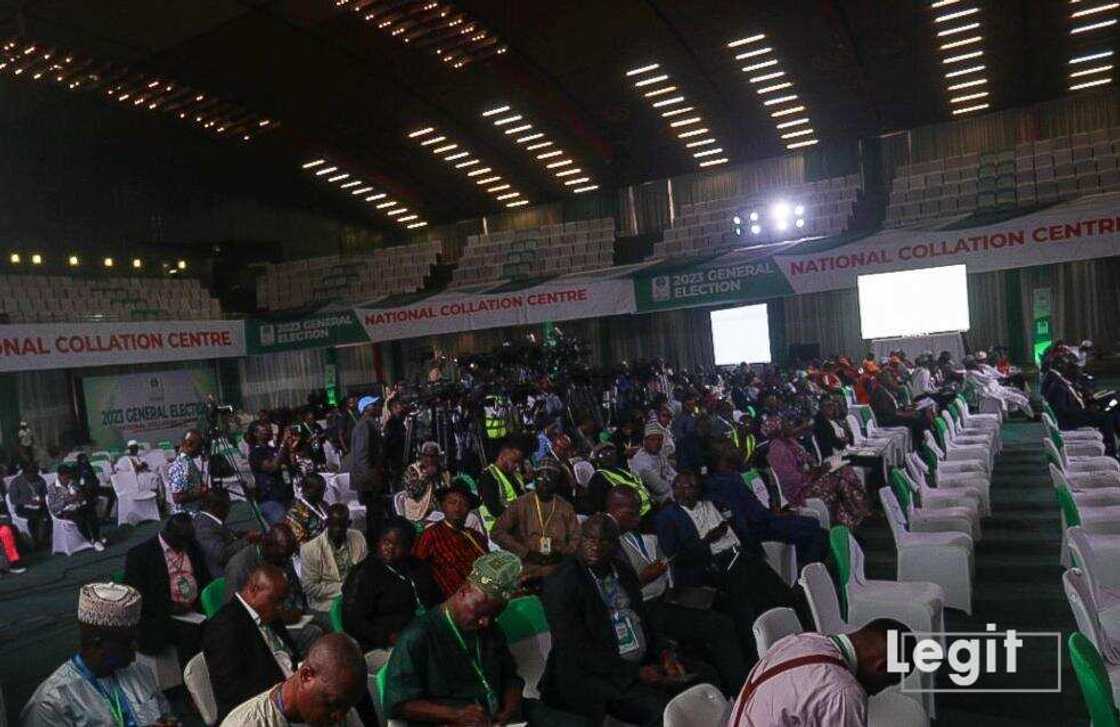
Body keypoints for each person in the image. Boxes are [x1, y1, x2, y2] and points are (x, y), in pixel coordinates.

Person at [383, 551, 589, 726]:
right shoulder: (418, 636)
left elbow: (510, 677)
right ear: (463, 592)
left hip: (501, 714)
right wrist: (456, 715)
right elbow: (399, 705)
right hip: (453, 720)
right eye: (480, 614)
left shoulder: (490, 628)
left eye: (493, 615)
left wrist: (511, 705)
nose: (485, 623)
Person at [540, 514, 693, 727]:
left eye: (604, 540)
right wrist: (635, 673)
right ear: (579, 539)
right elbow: (575, 648)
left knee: (702, 678)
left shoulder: (622, 571)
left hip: (638, 662)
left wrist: (665, 654)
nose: (595, 546)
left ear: (615, 544)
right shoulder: (562, 582)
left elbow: (645, 621)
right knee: (663, 711)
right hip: (594, 675)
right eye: (589, 539)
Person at [607, 486, 746, 696]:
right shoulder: (606, 542)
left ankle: (744, 676)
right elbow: (613, 594)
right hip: (646, 609)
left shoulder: (630, 533)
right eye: (632, 512)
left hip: (667, 595)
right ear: (615, 509)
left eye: (639, 511)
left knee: (726, 601)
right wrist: (645, 577)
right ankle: (742, 693)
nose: (638, 518)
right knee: (719, 626)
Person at [21, 582, 178, 726]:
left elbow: (166, 716)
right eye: (128, 641)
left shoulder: (141, 673)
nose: (136, 647)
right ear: (98, 643)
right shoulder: (52, 702)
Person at [726, 619, 910, 726]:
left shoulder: (803, 640)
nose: (877, 692)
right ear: (882, 666)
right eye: (887, 682)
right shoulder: (843, 693)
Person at [204, 563, 302, 721]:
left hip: (291, 690)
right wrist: (285, 694)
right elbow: (232, 694)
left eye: (282, 601)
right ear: (254, 589)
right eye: (276, 601)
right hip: (261, 713)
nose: (280, 607)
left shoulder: (269, 612)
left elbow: (291, 656)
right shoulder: (224, 628)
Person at [220, 633, 367, 727]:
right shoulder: (245, 724)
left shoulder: (341, 708)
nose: (338, 717)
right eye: (331, 704)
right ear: (306, 676)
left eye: (346, 708)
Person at [342, 518, 442, 655]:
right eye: (386, 542)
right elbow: (353, 621)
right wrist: (387, 637)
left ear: (409, 548)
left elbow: (436, 599)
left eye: (398, 544)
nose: (390, 548)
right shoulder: (364, 573)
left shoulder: (417, 567)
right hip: (381, 645)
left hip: (423, 632)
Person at [124, 513, 210, 664]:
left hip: (195, 608)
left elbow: (205, 578)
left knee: (222, 622)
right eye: (182, 542)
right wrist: (170, 607)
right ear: (169, 535)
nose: (185, 546)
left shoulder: (191, 545)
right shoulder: (140, 555)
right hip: (161, 614)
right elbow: (135, 596)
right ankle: (193, 681)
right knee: (190, 634)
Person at [765, 416, 871, 530]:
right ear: (779, 428)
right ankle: (855, 517)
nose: (790, 425)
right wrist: (816, 472)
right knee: (841, 479)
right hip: (799, 492)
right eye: (786, 423)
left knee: (845, 471)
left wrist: (820, 469)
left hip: (809, 480)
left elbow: (809, 461)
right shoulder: (777, 449)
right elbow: (791, 480)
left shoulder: (789, 442)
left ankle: (854, 518)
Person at [490, 458, 581, 583]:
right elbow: (497, 532)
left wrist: (562, 554)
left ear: (556, 483)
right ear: (534, 479)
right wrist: (525, 552)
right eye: (540, 478)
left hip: (558, 567)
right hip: (526, 566)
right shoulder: (521, 503)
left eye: (550, 479)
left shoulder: (565, 507)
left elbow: (577, 538)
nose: (544, 483)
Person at [413, 482, 490, 597]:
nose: (457, 508)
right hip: (453, 601)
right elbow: (416, 568)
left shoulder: (476, 537)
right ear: (443, 506)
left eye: (463, 504)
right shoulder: (430, 535)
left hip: (484, 595)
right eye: (452, 502)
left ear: (469, 509)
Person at [300, 504, 368, 616]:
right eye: (333, 525)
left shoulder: (358, 538)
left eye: (342, 526)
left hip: (358, 597)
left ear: (349, 524)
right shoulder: (309, 550)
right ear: (326, 524)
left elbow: (364, 571)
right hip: (326, 603)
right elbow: (310, 587)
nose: (338, 530)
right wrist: (345, 588)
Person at [194, 489, 255, 579]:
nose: (228, 511)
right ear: (216, 507)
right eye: (227, 507)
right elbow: (221, 555)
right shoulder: (203, 526)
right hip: (224, 575)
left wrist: (242, 534)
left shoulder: (209, 520)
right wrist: (247, 540)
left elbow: (225, 535)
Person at [349, 395, 387, 538]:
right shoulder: (364, 426)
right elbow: (361, 456)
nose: (378, 407)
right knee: (373, 515)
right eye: (374, 405)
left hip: (370, 477)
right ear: (365, 409)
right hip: (367, 480)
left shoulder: (369, 423)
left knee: (375, 514)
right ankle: (373, 543)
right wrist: (371, 478)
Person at [586, 442, 653, 519]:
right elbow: (600, 506)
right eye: (604, 454)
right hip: (630, 519)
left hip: (647, 512)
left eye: (611, 452)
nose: (609, 455)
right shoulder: (598, 478)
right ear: (597, 459)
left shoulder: (622, 470)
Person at [249, 421, 298, 525]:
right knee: (284, 527)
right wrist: (283, 443)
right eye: (263, 430)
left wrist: (291, 448)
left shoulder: (273, 449)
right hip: (271, 499)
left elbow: (291, 465)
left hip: (287, 495)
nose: (267, 432)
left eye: (267, 430)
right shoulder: (256, 453)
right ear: (255, 434)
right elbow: (272, 467)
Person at [48, 462, 105, 550]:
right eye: (65, 478)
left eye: (68, 477)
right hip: (63, 511)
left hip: (77, 506)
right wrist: (66, 501)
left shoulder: (73, 483)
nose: (67, 480)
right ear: (60, 476)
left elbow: (81, 494)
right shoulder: (53, 488)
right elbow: (53, 507)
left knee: (91, 512)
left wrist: (79, 496)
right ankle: (91, 539)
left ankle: (96, 538)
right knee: (79, 518)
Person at [396, 442, 451, 526]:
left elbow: (447, 493)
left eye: (433, 456)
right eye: (426, 456)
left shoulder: (443, 472)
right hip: (418, 513)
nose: (430, 459)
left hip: (439, 511)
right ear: (422, 456)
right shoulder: (413, 470)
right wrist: (426, 476)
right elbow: (412, 493)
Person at [476, 438, 526, 530]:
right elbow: (494, 509)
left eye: (519, 462)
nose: (517, 466)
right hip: (497, 529)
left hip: (515, 525)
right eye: (514, 461)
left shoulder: (514, 475)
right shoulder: (488, 477)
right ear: (502, 457)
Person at [628, 422, 677, 506]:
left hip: (667, 489)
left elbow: (671, 472)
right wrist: (677, 484)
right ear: (645, 441)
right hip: (650, 500)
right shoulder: (641, 461)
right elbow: (661, 488)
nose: (657, 443)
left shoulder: (659, 454)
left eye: (659, 439)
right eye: (652, 439)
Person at [8, 459, 50, 549]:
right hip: (23, 507)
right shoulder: (16, 482)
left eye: (34, 473)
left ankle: (44, 538)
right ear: (25, 473)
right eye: (30, 474)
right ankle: (36, 542)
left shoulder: (39, 480)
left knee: (48, 516)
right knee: (33, 519)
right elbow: (13, 499)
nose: (33, 476)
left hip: (39, 504)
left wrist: (41, 500)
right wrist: (28, 501)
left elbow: (45, 494)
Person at [167, 429, 208, 516]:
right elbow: (177, 497)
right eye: (199, 446)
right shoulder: (182, 465)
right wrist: (200, 493)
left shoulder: (188, 461)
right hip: (186, 517)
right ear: (189, 444)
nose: (201, 450)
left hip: (195, 510)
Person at [285, 472, 330, 544]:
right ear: (306, 490)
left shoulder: (323, 504)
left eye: (323, 490)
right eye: (318, 490)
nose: (322, 494)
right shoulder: (296, 512)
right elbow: (299, 541)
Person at [75, 453, 117, 519]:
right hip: (86, 491)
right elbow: (81, 483)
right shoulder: (78, 469)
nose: (85, 460)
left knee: (111, 493)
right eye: (83, 459)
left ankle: (106, 515)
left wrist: (96, 482)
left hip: (95, 488)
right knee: (90, 499)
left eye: (86, 459)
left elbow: (94, 478)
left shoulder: (88, 466)